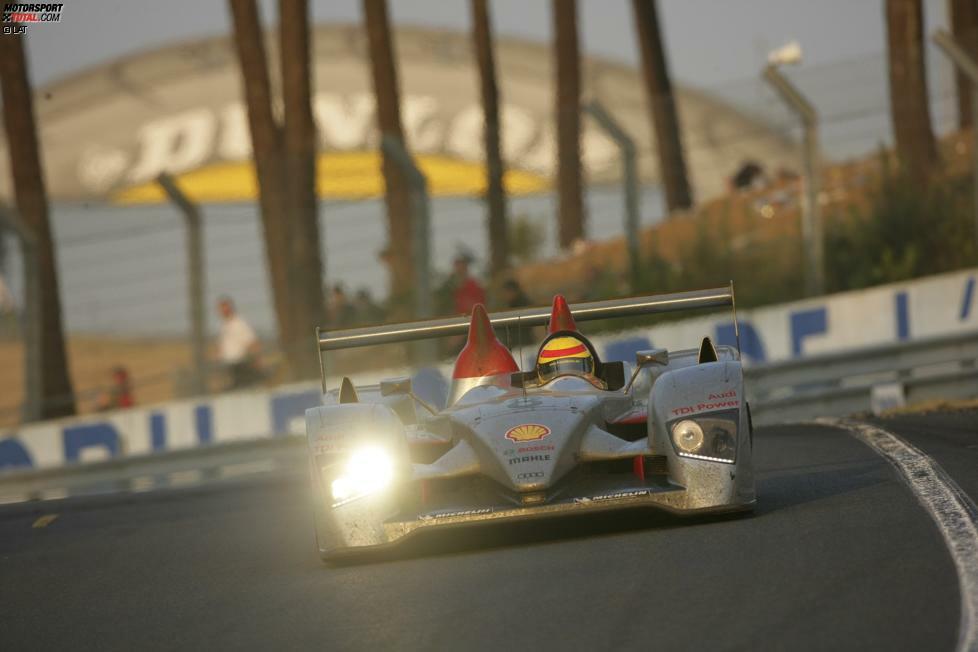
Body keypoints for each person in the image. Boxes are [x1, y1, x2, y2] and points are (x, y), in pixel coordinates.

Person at [216, 296, 262, 389]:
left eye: (225, 308)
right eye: (221, 309)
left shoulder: (239, 323)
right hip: (229, 366)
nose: (223, 311)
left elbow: (252, 342)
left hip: (241, 364)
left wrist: (256, 360)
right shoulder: (224, 326)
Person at [535, 332, 606, 389]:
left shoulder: (599, 388)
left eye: (575, 369)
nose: (567, 380)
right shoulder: (533, 394)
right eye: (557, 374)